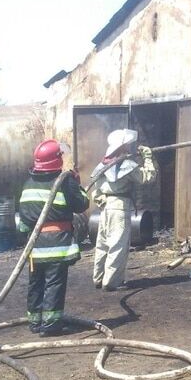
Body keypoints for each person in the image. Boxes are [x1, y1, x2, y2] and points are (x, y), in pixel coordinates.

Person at [17, 139, 90, 335]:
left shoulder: (27, 184)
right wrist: (78, 184)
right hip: (57, 243)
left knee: (36, 283)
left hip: (34, 244)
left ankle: (35, 322)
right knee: (54, 283)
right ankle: (50, 325)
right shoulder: (65, 181)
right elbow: (82, 204)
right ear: (57, 159)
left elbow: (23, 219)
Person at [90, 129, 156, 291]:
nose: (128, 148)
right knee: (118, 245)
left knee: (103, 244)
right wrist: (148, 158)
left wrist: (101, 200)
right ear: (121, 148)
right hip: (119, 207)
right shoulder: (127, 165)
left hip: (105, 208)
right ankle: (112, 282)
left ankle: (98, 278)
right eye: (126, 146)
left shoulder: (102, 165)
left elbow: (95, 191)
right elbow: (147, 177)